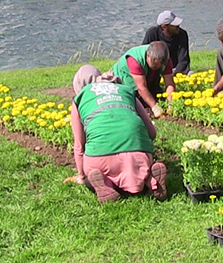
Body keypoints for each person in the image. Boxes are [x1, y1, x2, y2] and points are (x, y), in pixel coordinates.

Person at [69, 65, 167, 203]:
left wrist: (82, 176)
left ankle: (106, 184)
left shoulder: (80, 98)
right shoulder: (125, 90)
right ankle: (150, 179)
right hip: (139, 153)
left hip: (101, 158)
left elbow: (79, 146)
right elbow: (151, 132)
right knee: (137, 165)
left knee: (93, 174)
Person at [109, 42, 175, 118]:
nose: (155, 66)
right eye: (153, 62)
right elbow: (141, 88)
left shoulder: (165, 59)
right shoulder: (134, 59)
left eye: (158, 65)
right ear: (148, 55)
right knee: (135, 101)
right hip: (122, 81)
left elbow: (169, 83)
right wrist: (155, 108)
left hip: (146, 75)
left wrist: (171, 105)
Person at [142, 10, 191, 75]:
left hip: (175, 69)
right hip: (155, 68)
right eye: (174, 25)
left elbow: (184, 60)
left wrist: (174, 74)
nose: (178, 26)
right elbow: (144, 54)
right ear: (164, 27)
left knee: (191, 74)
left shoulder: (182, 34)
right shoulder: (152, 33)